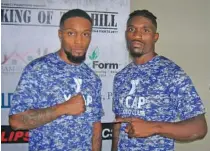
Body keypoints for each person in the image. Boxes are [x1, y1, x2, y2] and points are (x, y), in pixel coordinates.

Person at [112, 9, 207, 151]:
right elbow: (118, 125)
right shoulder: (121, 76)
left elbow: (199, 128)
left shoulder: (172, 73)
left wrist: (153, 127)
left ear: (155, 37)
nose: (137, 35)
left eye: (145, 30)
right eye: (132, 29)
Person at [9, 9, 103, 151]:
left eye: (85, 34)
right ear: (60, 35)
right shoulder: (38, 69)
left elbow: (95, 127)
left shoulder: (92, 77)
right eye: (71, 33)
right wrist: (63, 108)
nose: (79, 41)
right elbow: (16, 121)